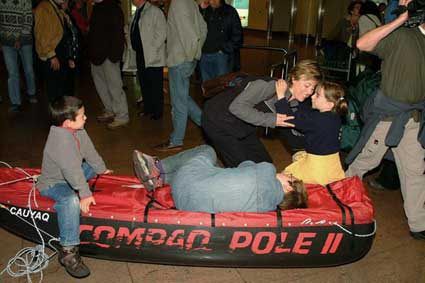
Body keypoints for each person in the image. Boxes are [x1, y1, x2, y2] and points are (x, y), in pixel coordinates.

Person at [345, 0, 425, 240]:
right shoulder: (402, 35)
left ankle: (419, 223)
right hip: (388, 117)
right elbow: (362, 43)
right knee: (364, 162)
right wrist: (401, 19)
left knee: (415, 171)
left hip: (412, 118)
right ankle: (338, 200)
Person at [36, 96, 112, 278]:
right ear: (68, 123)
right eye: (82, 116)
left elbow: (90, 152)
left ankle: (81, 188)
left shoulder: (78, 131)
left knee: (91, 167)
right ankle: (68, 251)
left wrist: (102, 169)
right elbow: (71, 171)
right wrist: (84, 194)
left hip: (71, 174)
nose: (86, 118)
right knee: (70, 200)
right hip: (55, 183)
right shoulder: (60, 141)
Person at [202, 59, 322, 168]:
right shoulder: (269, 87)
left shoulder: (293, 104)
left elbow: (291, 134)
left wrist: (314, 148)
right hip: (218, 121)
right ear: (294, 79)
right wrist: (272, 120)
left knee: (265, 165)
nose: (309, 92)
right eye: (307, 85)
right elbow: (236, 107)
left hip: (242, 125)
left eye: (312, 88)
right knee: (243, 168)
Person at [133, 145, 307, 213]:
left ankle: (157, 166)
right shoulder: (266, 209)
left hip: (186, 182)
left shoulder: (268, 170)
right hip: (187, 206)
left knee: (207, 151)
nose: (285, 173)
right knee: (215, 170)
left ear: (289, 187)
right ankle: (160, 180)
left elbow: (244, 164)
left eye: (289, 177)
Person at [154, 0, 207, 152]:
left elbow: (190, 35)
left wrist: (191, 56)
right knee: (182, 98)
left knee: (179, 103)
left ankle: (176, 140)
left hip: (180, 60)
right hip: (185, 59)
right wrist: (195, 54)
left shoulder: (179, 3)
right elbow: (203, 29)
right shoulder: (190, 3)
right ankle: (208, 126)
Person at [275, 80, 348, 185]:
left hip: (316, 168)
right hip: (332, 164)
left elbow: (288, 119)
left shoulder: (317, 119)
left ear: (329, 104)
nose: (312, 96)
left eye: (317, 95)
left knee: (284, 179)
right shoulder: (335, 116)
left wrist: (281, 96)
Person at [88, 0, 129, 129]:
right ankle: (110, 109)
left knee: (115, 86)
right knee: (101, 86)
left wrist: (114, 56)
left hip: (109, 56)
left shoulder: (114, 7)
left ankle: (122, 115)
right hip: (96, 55)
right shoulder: (96, 8)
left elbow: (118, 33)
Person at [34, 0, 78, 102]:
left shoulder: (56, 8)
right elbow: (41, 34)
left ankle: (61, 114)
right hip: (52, 55)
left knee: (62, 88)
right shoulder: (44, 7)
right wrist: (51, 56)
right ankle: (56, 116)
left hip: (60, 54)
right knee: (54, 90)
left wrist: (69, 57)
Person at [131, 0, 166, 120]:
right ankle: (148, 109)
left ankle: (157, 112)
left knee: (155, 85)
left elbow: (162, 33)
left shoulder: (155, 11)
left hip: (152, 56)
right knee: (144, 84)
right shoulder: (138, 12)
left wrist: (152, 48)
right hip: (141, 54)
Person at [0, 0, 37, 112]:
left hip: (24, 40)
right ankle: (15, 101)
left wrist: (20, 39)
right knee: (12, 72)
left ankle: (31, 92)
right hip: (6, 41)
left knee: (28, 69)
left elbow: (28, 20)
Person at [198, 0, 243, 82]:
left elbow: (238, 36)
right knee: (207, 87)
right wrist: (200, 8)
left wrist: (224, 50)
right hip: (203, 56)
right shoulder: (203, 10)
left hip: (221, 57)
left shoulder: (230, 11)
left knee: (222, 87)